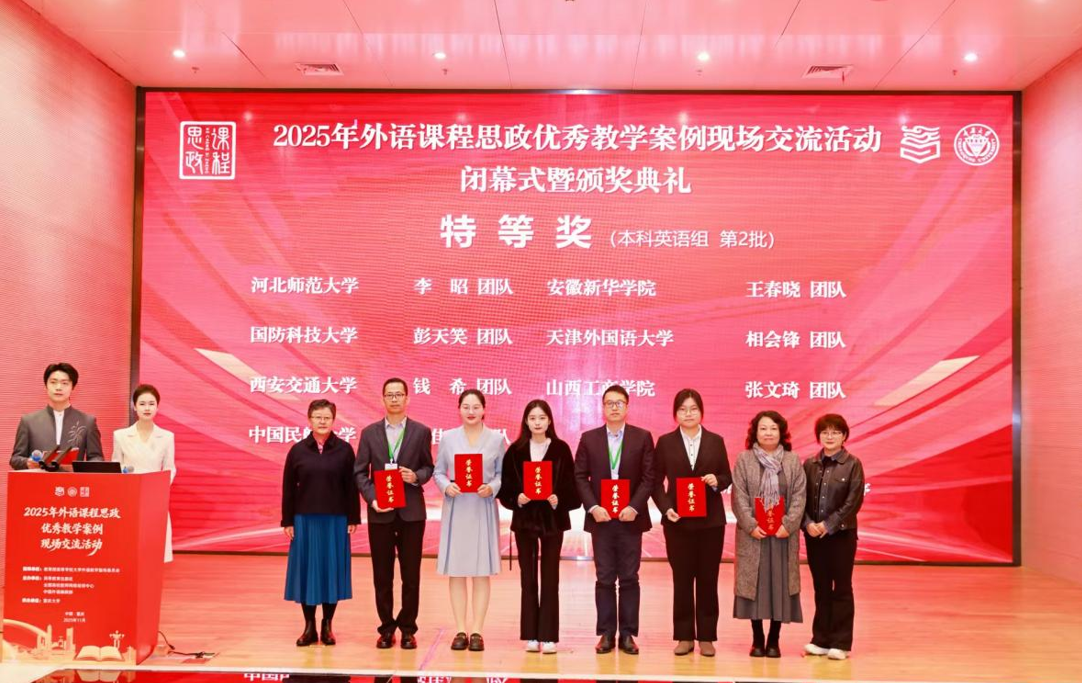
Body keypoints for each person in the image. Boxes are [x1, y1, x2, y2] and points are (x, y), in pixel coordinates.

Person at [574, 384, 655, 656]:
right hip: (602, 518)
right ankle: (606, 633)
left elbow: (649, 477)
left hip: (630, 518)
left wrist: (634, 506)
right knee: (605, 577)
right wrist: (593, 507)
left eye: (619, 402)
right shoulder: (589, 438)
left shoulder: (642, 437)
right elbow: (579, 476)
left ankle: (628, 634)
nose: (614, 407)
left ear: (627, 406)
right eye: (609, 403)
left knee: (630, 577)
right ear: (603, 407)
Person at [651, 388, 732, 657]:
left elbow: (726, 476)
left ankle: (707, 636)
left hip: (711, 523)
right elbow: (655, 482)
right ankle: (684, 636)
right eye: (683, 409)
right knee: (682, 580)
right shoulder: (665, 442)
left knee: (708, 579)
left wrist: (716, 481)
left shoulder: (715, 441)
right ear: (675, 414)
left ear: (701, 412)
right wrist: (666, 509)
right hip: (678, 523)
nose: (688, 414)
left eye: (693, 409)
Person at [355, 378, 434, 650]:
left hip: (412, 513)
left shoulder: (421, 431)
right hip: (381, 512)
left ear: (407, 398)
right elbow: (359, 473)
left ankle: (408, 629)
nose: (395, 399)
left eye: (399, 394)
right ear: (382, 399)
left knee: (411, 576)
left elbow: (429, 467)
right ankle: (386, 628)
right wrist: (373, 499)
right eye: (390, 395)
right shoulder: (369, 433)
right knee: (382, 575)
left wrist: (416, 476)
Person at [497, 399, 581, 654]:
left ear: (549, 421)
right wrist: (517, 499)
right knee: (528, 577)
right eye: (532, 418)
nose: (537, 423)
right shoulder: (516, 450)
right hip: (525, 522)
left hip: (552, 522)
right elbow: (505, 488)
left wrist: (559, 499)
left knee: (550, 577)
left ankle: (549, 636)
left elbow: (573, 488)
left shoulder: (560, 449)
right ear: (525, 421)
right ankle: (531, 635)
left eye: (542, 418)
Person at [281, 399, 360, 647]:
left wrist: (353, 517)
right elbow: (288, 488)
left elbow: (352, 487)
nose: (322, 421)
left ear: (334, 420)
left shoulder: (345, 450)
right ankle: (309, 627)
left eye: (327, 417)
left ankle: (327, 625)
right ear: (309, 420)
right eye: (317, 417)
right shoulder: (297, 450)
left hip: (336, 520)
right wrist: (288, 520)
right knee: (307, 571)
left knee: (330, 571)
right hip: (304, 520)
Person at [433, 389, 506, 652]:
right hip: (457, 507)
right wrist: (446, 486)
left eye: (476, 407)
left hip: (482, 507)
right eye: (466, 406)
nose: (471, 411)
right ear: (459, 409)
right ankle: (460, 629)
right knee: (457, 571)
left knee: (480, 571)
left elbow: (502, 474)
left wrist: (492, 487)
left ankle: (477, 630)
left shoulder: (496, 439)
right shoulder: (448, 438)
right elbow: (438, 472)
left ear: (484, 409)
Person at [731, 410, 806, 658]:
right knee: (754, 585)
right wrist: (751, 524)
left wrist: (789, 524)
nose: (768, 433)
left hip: (783, 536)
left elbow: (799, 496)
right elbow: (739, 496)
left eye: (773, 428)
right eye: (763, 428)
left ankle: (774, 639)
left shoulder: (792, 461)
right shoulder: (744, 459)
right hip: (754, 535)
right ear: (755, 432)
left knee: (779, 586)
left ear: (781, 432)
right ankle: (757, 639)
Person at [802, 414, 865, 661]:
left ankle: (841, 642)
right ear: (819, 436)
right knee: (821, 588)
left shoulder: (853, 464)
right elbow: (800, 498)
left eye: (835, 432)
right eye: (825, 432)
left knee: (841, 587)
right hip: (814, 536)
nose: (830, 437)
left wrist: (828, 525)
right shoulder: (810, 464)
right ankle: (821, 640)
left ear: (844, 436)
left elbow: (853, 501)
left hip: (841, 535)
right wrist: (808, 524)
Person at [111, 384, 176, 561]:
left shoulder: (167, 436)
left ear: (157, 407)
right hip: (128, 494)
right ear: (134, 406)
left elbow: (170, 467)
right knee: (129, 544)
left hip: (155, 494)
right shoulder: (120, 435)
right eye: (142, 404)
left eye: (151, 404)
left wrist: (161, 485)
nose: (147, 408)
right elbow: (115, 465)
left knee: (153, 542)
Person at [11, 362, 103, 470]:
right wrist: (28, 462)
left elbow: (97, 458)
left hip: (73, 480)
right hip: (39, 479)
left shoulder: (87, 422)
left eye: (65, 383)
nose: (58, 387)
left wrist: (79, 468)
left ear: (73, 387)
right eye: (53, 382)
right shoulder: (28, 421)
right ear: (46, 386)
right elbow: (15, 459)